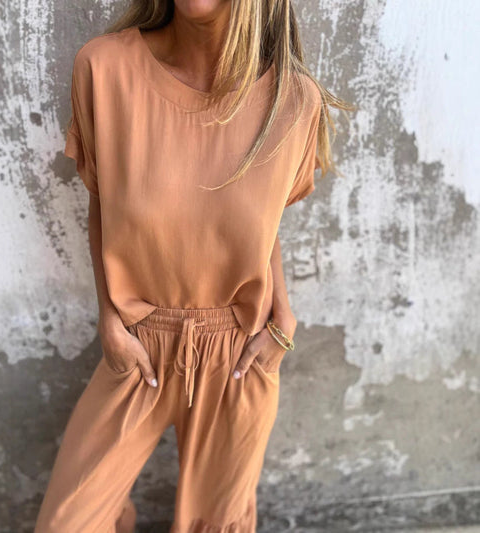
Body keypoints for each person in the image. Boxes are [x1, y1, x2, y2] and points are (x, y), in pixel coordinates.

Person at [34, 1, 352, 531]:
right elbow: (102, 200)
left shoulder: (295, 101)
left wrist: (283, 318)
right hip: (139, 344)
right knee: (68, 522)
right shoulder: (104, 69)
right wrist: (109, 318)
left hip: (238, 353)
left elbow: (262, 224)